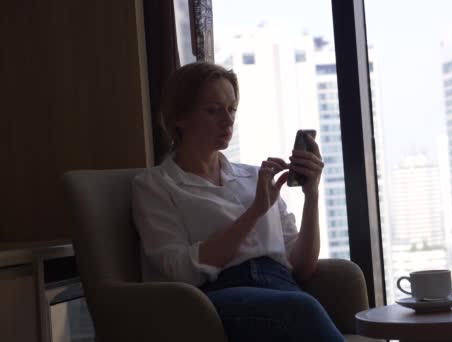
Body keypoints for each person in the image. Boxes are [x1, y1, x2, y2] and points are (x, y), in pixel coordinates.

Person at [131, 61, 344, 342]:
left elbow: (302, 266)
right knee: (300, 309)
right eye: (213, 110)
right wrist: (255, 212)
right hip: (217, 295)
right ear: (179, 118)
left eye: (231, 109)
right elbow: (179, 271)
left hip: (282, 285)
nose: (227, 120)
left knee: (300, 307)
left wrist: (312, 195)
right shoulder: (155, 186)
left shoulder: (255, 177)